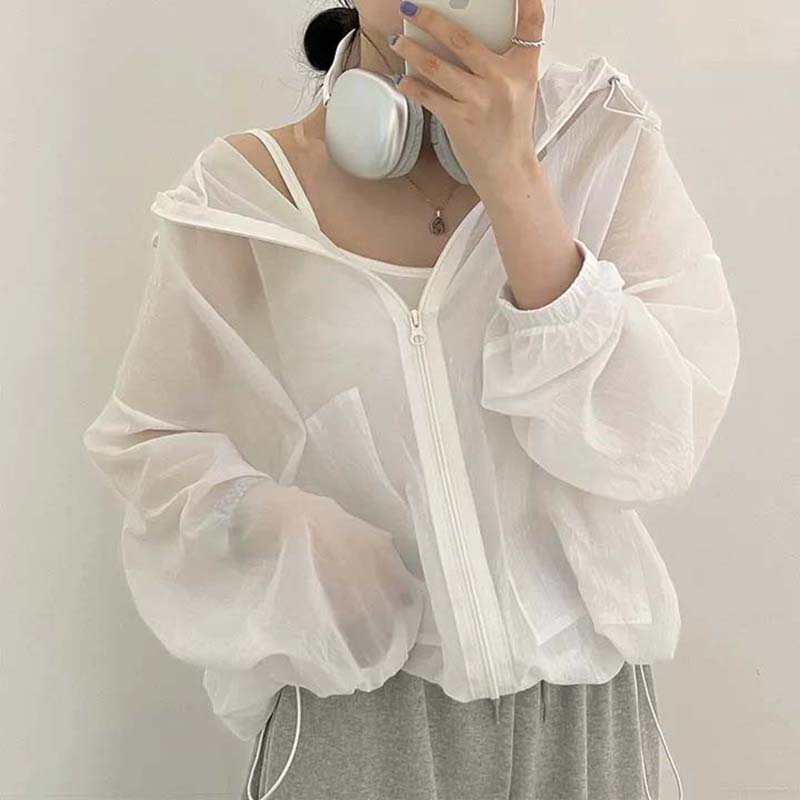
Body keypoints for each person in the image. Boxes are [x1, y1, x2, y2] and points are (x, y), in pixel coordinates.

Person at [82, 1, 741, 798]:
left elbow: (657, 440)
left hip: (581, 719)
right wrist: (288, 534)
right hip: (357, 721)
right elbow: (150, 444)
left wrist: (513, 176)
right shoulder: (246, 195)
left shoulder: (600, 139)